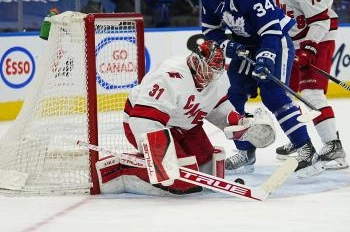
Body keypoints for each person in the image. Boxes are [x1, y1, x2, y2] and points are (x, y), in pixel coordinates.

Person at [200, 0, 324, 177]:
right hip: (244, 46)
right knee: (232, 98)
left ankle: (307, 151)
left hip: (274, 41)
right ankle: (246, 152)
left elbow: (271, 30)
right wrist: (229, 46)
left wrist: (266, 57)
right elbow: (210, 31)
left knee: (273, 96)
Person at [95, 40, 276, 196]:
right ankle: (122, 170)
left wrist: (240, 122)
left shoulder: (216, 78)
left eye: (215, 71)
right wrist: (160, 156)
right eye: (208, 70)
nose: (212, 77)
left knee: (208, 167)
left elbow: (218, 107)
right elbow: (143, 120)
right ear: (196, 62)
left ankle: (167, 166)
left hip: (185, 126)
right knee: (181, 181)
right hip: (147, 124)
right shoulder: (169, 76)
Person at [268, 0, 348, 169]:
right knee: (286, 92)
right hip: (294, 41)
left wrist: (310, 46)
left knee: (311, 93)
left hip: (320, 36)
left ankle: (334, 145)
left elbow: (322, 19)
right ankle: (298, 140)